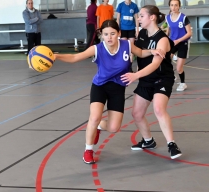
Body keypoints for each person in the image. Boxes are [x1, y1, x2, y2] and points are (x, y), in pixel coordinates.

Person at [55, 19, 165, 164]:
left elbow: (141, 53)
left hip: (118, 88)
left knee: (113, 128)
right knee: (94, 117)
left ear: (119, 33)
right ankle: (88, 150)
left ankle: (100, 126)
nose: (109, 37)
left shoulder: (126, 45)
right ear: (102, 35)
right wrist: (56, 56)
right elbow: (75, 57)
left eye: (113, 33)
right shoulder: (97, 49)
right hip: (100, 86)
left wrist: (153, 51)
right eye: (106, 34)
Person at [120, 5, 182, 159]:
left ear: (152, 17)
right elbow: (138, 52)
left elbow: (155, 64)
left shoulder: (162, 39)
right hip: (146, 79)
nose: (138, 18)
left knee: (159, 109)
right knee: (137, 113)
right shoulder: (141, 33)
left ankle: (172, 144)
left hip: (162, 78)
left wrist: (135, 76)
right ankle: (148, 141)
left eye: (141, 16)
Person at [165, 0, 192, 91]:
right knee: (166, 60)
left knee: (179, 68)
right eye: (172, 5)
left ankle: (183, 83)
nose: (173, 7)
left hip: (182, 43)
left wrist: (179, 40)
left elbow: (189, 33)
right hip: (172, 43)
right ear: (169, 6)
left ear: (179, 6)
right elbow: (168, 31)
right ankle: (172, 76)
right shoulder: (167, 17)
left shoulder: (183, 17)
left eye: (176, 5)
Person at [116, 0, 139, 69]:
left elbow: (136, 18)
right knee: (124, 47)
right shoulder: (121, 5)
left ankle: (130, 66)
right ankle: (123, 65)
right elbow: (118, 18)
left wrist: (137, 29)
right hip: (123, 29)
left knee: (131, 47)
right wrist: (118, 29)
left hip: (131, 29)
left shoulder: (134, 6)